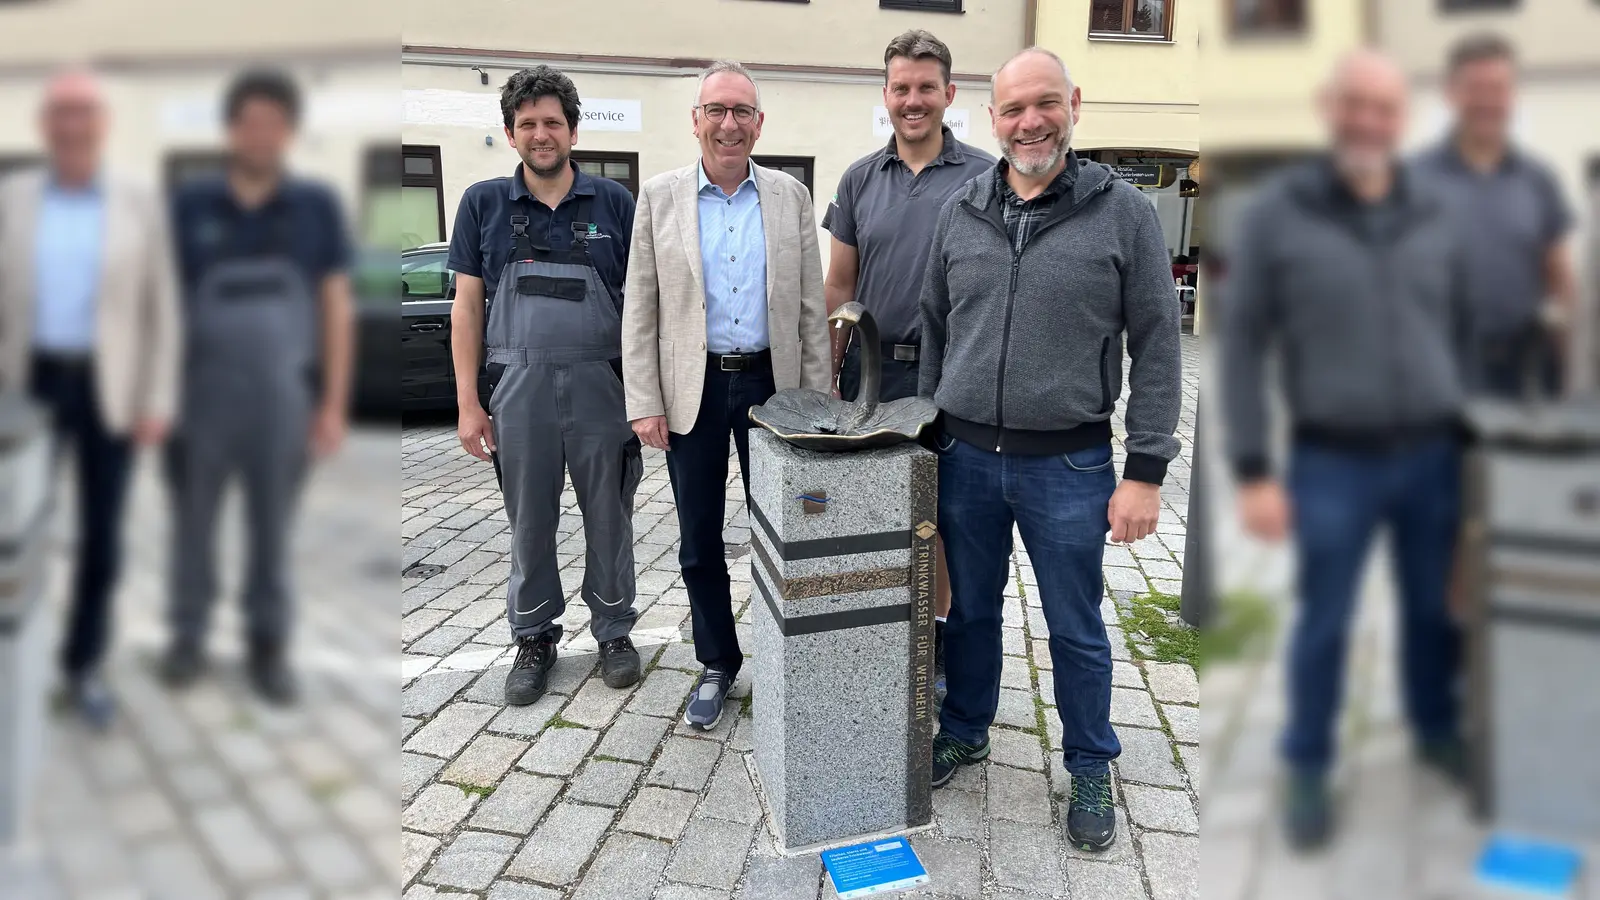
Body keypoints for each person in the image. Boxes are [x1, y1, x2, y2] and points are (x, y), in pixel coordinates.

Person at [918, 47, 1182, 854]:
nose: (1030, 121)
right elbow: (935, 328)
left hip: (1068, 465)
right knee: (967, 613)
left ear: (1073, 102)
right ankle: (964, 728)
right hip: (963, 456)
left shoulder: (1123, 213)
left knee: (1075, 626)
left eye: (1044, 103)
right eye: (1012, 109)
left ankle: (1092, 761)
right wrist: (928, 440)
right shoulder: (961, 209)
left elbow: (1160, 344)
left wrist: (1145, 471)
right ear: (991, 120)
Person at [1219, 49, 1476, 851]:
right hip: (1334, 460)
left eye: (1385, 109)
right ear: (1330, 108)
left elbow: (1464, 332)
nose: (1370, 121)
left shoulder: (1438, 209)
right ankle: (1306, 763)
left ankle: (1436, 727)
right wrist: (1255, 470)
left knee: (1436, 609)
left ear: (1402, 119)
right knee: (1324, 621)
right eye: (1355, 104)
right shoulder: (1276, 215)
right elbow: (1241, 347)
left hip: (1436, 454)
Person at [622, 60, 828, 731]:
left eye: (742, 111)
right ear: (696, 120)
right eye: (718, 110)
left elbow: (807, 308)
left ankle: (785, 656)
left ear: (759, 123)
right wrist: (644, 399)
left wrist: (819, 402)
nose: (730, 124)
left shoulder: (790, 197)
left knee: (787, 529)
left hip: (774, 386)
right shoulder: (659, 197)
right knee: (698, 539)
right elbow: (642, 309)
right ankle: (717, 661)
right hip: (696, 389)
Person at [449, 66, 643, 706]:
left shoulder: (615, 202)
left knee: (609, 516)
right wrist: (469, 403)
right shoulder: (482, 204)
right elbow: (468, 308)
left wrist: (647, 396)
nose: (541, 134)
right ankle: (534, 636)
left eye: (552, 122)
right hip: (517, 389)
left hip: (602, 387)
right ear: (510, 133)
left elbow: (643, 307)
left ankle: (614, 628)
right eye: (527, 123)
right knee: (529, 522)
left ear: (573, 130)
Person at [160, 69, 355, 704]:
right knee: (192, 526)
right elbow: (158, 302)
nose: (259, 134)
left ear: (289, 132)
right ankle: (187, 636)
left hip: (282, 401)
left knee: (271, 533)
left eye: (273, 123)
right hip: (199, 398)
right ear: (230, 129)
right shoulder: (189, 205)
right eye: (248, 122)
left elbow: (334, 306)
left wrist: (330, 404)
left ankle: (267, 647)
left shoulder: (314, 207)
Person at [0, 67, 181, 729]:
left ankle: (82, 668)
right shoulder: (12, 197)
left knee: (101, 538)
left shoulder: (139, 200)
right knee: (14, 533)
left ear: (101, 125)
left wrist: (156, 398)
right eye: (61, 113)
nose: (72, 125)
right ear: (46, 125)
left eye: (84, 113)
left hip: (111, 389)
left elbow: (163, 307)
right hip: (26, 386)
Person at [821, 29, 995, 704]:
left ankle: (937, 635)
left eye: (926, 88)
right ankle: (876, 628)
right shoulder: (859, 179)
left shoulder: (985, 175)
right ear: (886, 95)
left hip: (955, 377)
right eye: (901, 88)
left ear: (949, 95)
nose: (913, 100)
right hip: (875, 377)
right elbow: (841, 283)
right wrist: (832, 369)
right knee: (871, 511)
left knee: (943, 519)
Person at [1412, 33, 1575, 401]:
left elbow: (1560, 276)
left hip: (1527, 372)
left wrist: (1568, 367)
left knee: (1525, 461)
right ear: (1451, 93)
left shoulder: (1539, 180)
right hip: (1441, 366)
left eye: (1498, 88)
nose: (1487, 101)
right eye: (1475, 88)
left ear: (1514, 95)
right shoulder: (1413, 180)